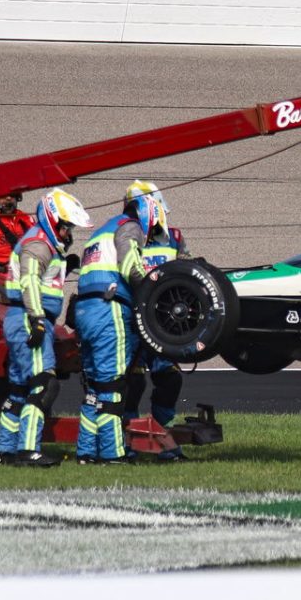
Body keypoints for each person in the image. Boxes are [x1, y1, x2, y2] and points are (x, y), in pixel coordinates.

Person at [0, 188, 92, 467]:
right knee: (43, 385)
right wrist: (37, 319)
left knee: (17, 390)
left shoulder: (44, 244)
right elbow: (29, 283)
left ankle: (6, 451)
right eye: (65, 227)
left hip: (18, 317)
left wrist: (66, 266)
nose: (68, 233)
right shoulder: (39, 244)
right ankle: (28, 450)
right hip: (29, 318)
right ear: (53, 221)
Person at [74, 190, 167, 464]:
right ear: (149, 215)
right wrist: (152, 291)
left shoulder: (102, 230)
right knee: (113, 386)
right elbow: (130, 267)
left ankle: (85, 452)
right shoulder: (131, 227)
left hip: (84, 309)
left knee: (94, 388)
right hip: (109, 307)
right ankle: (113, 453)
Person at [121, 181, 190, 462]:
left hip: (164, 320)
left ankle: (165, 441)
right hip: (134, 317)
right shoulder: (125, 235)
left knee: (170, 380)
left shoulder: (173, 236)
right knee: (132, 383)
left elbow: (186, 270)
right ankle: (128, 442)